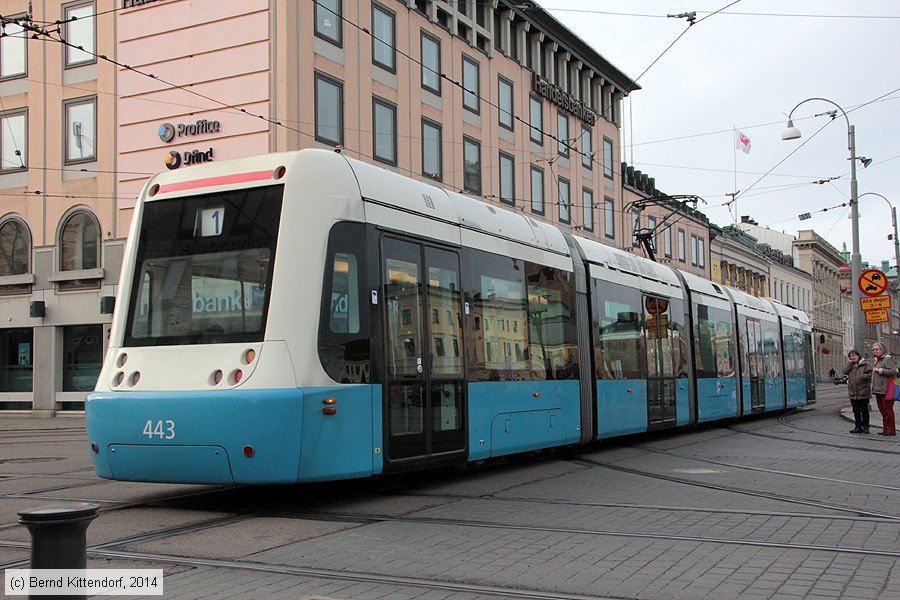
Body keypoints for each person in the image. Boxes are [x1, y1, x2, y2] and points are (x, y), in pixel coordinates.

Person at [870, 342, 897, 436]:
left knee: (887, 410)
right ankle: (886, 428)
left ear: (882, 349)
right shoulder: (877, 360)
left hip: (886, 389)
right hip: (878, 389)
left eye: (877, 349)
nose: (875, 351)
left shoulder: (887, 359)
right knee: (882, 410)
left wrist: (879, 370)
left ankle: (891, 429)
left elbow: (893, 372)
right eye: (873, 349)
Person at [843, 350, 871, 433]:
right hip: (853, 392)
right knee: (856, 410)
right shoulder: (851, 366)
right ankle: (858, 426)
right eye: (850, 356)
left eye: (854, 355)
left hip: (863, 391)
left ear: (859, 356)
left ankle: (866, 427)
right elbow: (844, 371)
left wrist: (863, 376)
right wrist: (849, 363)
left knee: (864, 410)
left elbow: (870, 375)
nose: (852, 357)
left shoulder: (865, 364)